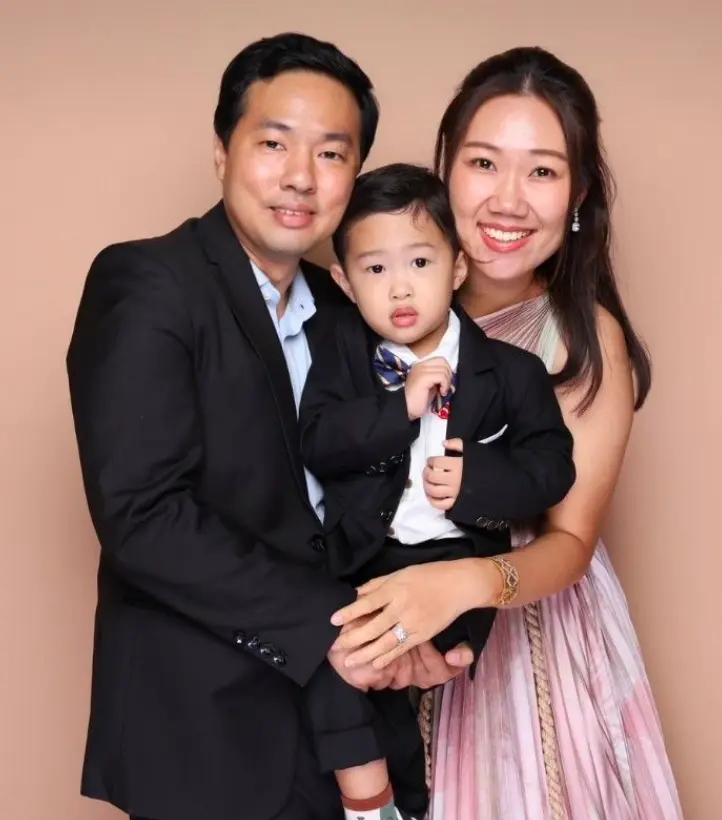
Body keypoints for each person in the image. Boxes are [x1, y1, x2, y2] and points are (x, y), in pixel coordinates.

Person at [65, 32, 472, 820]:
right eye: (274, 143)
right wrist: (336, 632)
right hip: (205, 731)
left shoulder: (355, 307)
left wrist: (421, 628)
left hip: (354, 724)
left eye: (332, 153)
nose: (301, 176)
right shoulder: (147, 281)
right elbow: (142, 514)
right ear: (222, 152)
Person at [329, 47, 684, 819]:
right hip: (370, 627)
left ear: (578, 194)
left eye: (543, 171)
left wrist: (457, 585)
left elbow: (571, 542)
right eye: (485, 163)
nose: (509, 200)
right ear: (447, 166)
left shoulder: (581, 338)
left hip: (527, 644)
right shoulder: (368, 307)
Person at [298, 162, 576, 820]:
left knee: (409, 654)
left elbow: (551, 469)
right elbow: (318, 441)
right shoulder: (337, 352)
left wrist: (475, 481)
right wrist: (397, 408)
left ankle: (429, 671)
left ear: (457, 268)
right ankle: (388, 806)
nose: (400, 286)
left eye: (420, 263)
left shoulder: (513, 371)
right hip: (366, 558)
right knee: (335, 660)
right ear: (344, 282)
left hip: (457, 563)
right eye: (374, 269)